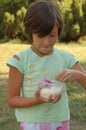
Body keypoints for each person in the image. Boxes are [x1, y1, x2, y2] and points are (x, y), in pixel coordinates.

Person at [6, 0, 86, 130]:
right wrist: (38, 100)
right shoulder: (19, 60)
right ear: (30, 31)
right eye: (40, 35)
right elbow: (12, 100)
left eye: (52, 35)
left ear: (59, 32)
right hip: (31, 124)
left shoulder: (66, 58)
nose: (46, 42)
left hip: (60, 122)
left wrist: (79, 75)